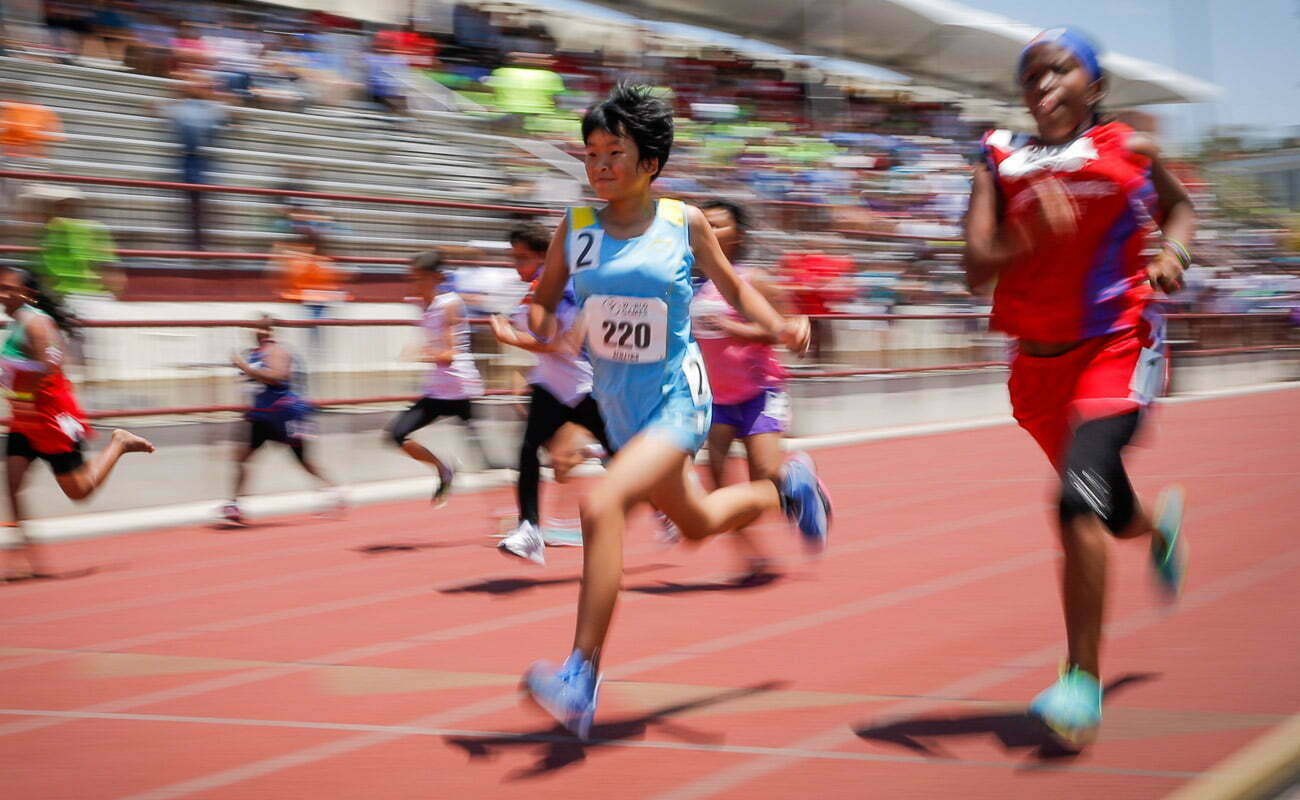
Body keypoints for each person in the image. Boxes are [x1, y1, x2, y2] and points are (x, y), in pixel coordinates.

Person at [522, 84, 831, 738]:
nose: (600, 164)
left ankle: (581, 676)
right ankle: (789, 491)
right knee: (695, 523)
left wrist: (781, 325)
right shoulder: (575, 231)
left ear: (650, 162)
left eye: (615, 151)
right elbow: (546, 299)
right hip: (620, 410)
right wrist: (538, 323)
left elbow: (734, 287)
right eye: (591, 152)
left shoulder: (682, 223)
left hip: (678, 400)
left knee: (601, 505)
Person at [963, 28, 1194, 747]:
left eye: (1060, 71)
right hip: (1035, 369)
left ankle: (1080, 682)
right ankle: (1157, 526)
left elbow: (1180, 207)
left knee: (1074, 500)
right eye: (1031, 74)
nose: (1043, 84)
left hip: (1118, 344)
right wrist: (1024, 234)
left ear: (1093, 87)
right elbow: (974, 268)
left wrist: (1172, 252)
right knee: (1105, 508)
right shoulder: (998, 156)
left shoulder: (1130, 147)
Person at [0, 266, 153, 579]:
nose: (2, 294)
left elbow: (51, 365)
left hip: (52, 419)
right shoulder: (16, 324)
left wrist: (8, 369)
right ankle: (26, 557)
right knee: (12, 483)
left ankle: (119, 443)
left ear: (27, 294)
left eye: (8, 288)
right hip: (25, 420)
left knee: (80, 491)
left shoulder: (38, 323)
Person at [491, 222, 611, 565]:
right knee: (529, 452)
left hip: (582, 385)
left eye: (522, 257)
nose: (516, 264)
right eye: (513, 257)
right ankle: (529, 530)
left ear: (546, 256)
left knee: (620, 459)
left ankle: (665, 505)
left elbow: (562, 343)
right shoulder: (536, 287)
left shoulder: (558, 285)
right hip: (551, 385)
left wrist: (508, 336)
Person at [691, 199, 790, 585]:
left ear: (738, 235)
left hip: (759, 390)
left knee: (765, 480)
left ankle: (800, 480)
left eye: (718, 226)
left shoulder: (754, 280)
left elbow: (780, 329)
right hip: (716, 397)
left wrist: (735, 329)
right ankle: (751, 557)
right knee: (717, 484)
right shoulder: (690, 282)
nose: (710, 232)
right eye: (706, 225)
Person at [385, 249, 487, 506]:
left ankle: (510, 513)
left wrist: (422, 353)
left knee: (484, 460)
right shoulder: (425, 305)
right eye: (412, 278)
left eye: (419, 278)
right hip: (438, 391)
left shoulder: (449, 304)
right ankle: (443, 469)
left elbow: (451, 354)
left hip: (461, 388)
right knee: (396, 434)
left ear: (435, 278)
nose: (415, 284)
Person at [223, 315, 342, 524]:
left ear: (271, 332)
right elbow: (255, 382)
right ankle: (234, 504)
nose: (261, 334)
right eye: (257, 329)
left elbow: (278, 377)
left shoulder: (278, 352)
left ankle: (333, 491)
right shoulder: (253, 355)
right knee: (241, 458)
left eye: (264, 330)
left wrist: (244, 368)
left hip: (284, 415)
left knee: (303, 461)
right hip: (261, 416)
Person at [156, 74, 229, 251]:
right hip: (191, 160)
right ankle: (196, 242)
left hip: (201, 161)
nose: (207, 90)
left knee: (200, 202)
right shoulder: (188, 108)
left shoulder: (208, 108)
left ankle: (199, 241)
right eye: (204, 87)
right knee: (195, 202)